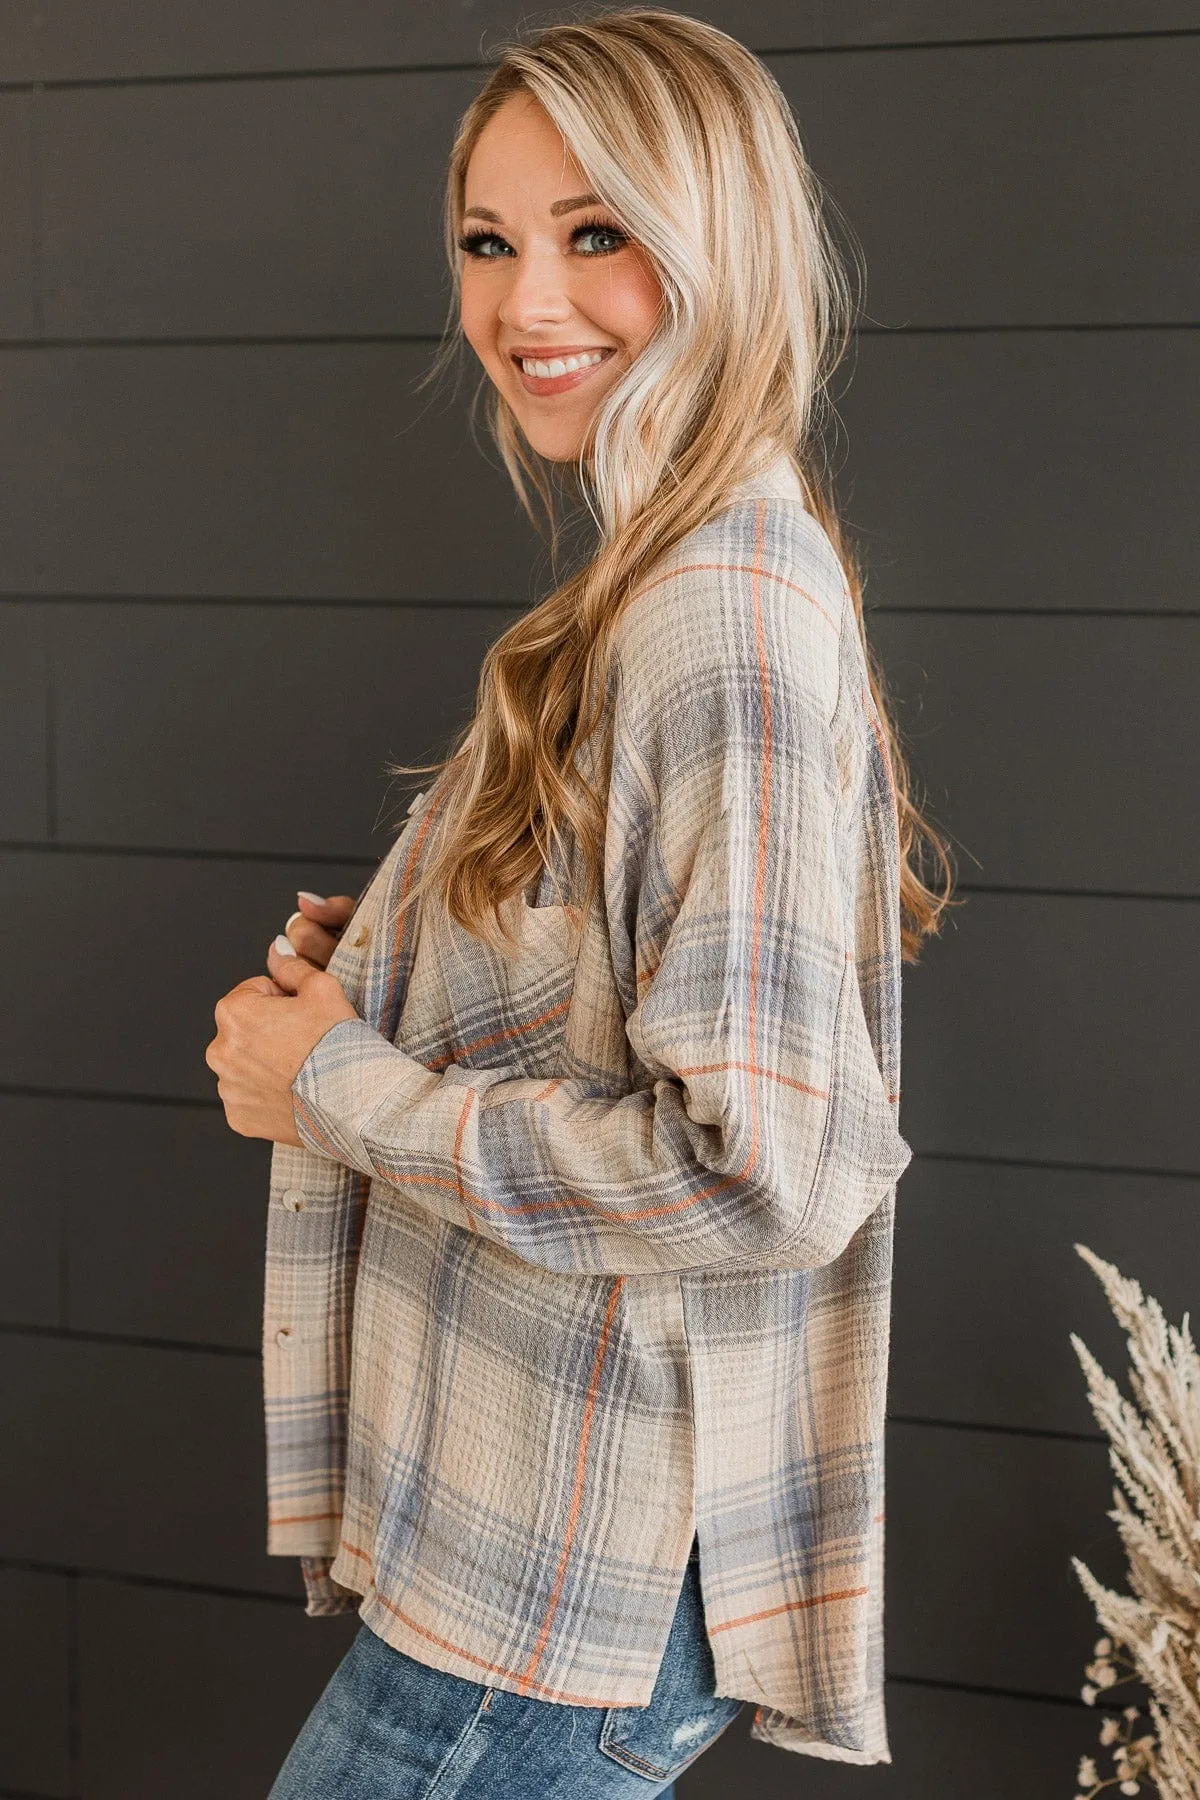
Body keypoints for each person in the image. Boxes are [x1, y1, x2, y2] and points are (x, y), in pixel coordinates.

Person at [205, 9, 954, 1796]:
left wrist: (340, 1089)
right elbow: (621, 981)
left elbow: (764, 1163)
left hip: (569, 1580)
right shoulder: (659, 571)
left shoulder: (720, 611)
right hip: (525, 1531)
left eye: (596, 231)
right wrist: (397, 978)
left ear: (722, 245)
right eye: (491, 240)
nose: (528, 304)